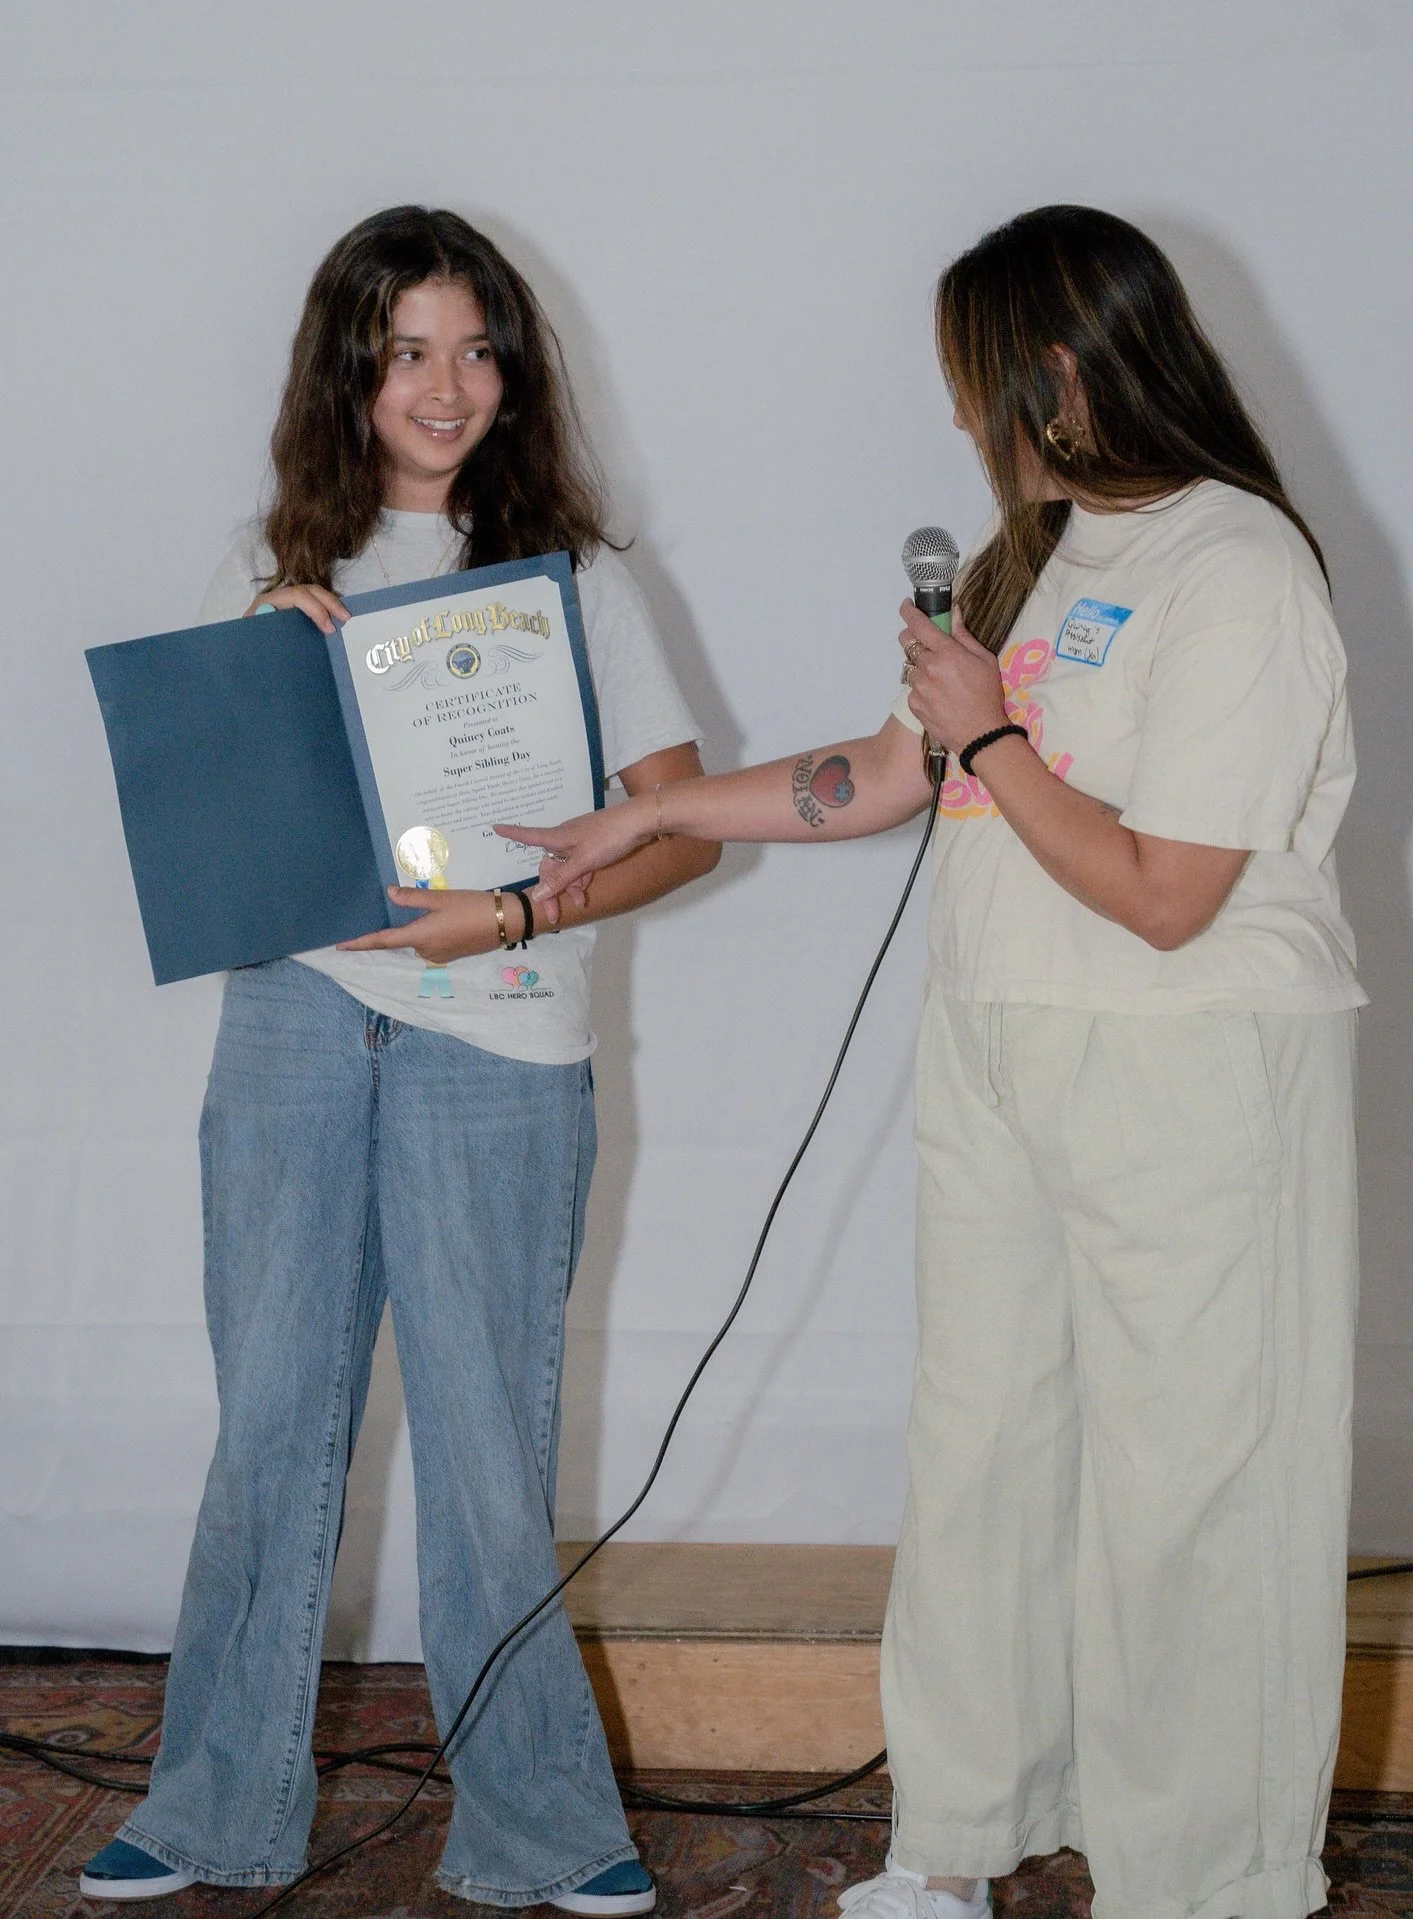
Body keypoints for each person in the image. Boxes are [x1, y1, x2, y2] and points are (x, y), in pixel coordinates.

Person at [496, 206, 1366, 1919]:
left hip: (1193, 1067)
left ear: (1060, 368)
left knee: (1195, 1484)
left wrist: (993, 728)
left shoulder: (1239, 565)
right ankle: (957, 1838)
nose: (959, 416)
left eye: (973, 380)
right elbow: (887, 774)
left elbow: (1166, 891)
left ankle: (1202, 1881)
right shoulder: (1022, 559)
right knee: (983, 1451)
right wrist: (648, 813)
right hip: (997, 1047)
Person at [79, 205, 717, 1913]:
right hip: (294, 1025)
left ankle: (544, 1824)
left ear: (515, 369)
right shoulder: (266, 559)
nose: (448, 386)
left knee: (490, 1448)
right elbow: (209, 825)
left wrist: (507, 915)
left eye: (477, 349)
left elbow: (682, 829)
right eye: (409, 350)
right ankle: (211, 1807)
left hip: (497, 1036)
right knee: (269, 1428)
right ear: (348, 368)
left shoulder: (575, 579)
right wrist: (260, 677)